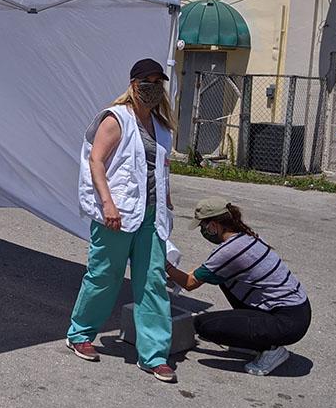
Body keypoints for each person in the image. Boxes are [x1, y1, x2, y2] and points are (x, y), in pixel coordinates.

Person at [66, 58, 178, 383]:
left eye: (159, 81)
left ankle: (154, 355)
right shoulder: (116, 119)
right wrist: (107, 203)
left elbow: (161, 168)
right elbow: (95, 161)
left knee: (153, 282)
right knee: (104, 276)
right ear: (133, 83)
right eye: (147, 80)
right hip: (118, 213)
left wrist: (167, 198)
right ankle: (80, 334)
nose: (153, 86)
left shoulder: (161, 127)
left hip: (151, 215)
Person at [165, 198, 311, 376]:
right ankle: (253, 340)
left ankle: (272, 350)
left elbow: (190, 283)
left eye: (203, 226)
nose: (203, 231)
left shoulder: (229, 251)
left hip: (288, 323)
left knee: (204, 326)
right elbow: (204, 271)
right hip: (296, 311)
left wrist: (165, 264)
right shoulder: (245, 237)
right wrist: (173, 277)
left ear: (214, 225)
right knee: (222, 279)